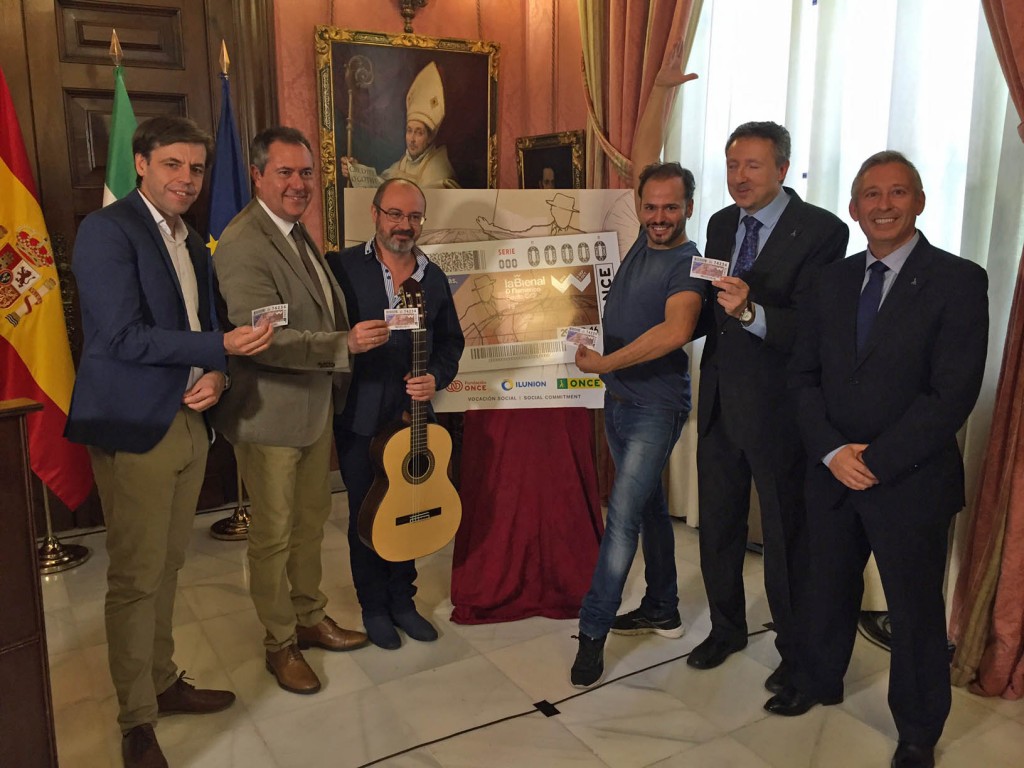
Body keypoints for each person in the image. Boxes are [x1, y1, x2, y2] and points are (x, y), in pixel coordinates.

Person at [65, 115, 274, 768]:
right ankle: (137, 721)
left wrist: (217, 371)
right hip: (135, 425)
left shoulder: (191, 238)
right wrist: (219, 346)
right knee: (136, 577)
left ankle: (160, 681)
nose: (187, 178)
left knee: (169, 566)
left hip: (189, 420)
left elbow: (199, 323)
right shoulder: (107, 230)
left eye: (197, 168)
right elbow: (120, 336)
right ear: (141, 164)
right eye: (173, 164)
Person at [768, 152, 988, 768]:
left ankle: (918, 729)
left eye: (897, 192)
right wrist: (833, 451)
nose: (883, 205)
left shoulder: (959, 280)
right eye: (871, 194)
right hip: (832, 471)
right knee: (825, 587)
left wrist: (878, 460)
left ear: (919, 202)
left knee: (914, 612)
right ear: (853, 207)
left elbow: (953, 394)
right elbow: (802, 376)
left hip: (910, 479)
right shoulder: (830, 281)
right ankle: (819, 679)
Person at [211, 127, 389, 696]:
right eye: (285, 172)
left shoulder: (294, 231)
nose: (298, 184)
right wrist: (343, 345)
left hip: (312, 410)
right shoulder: (244, 241)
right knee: (273, 536)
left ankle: (309, 616)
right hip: (268, 415)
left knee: (309, 523)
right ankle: (280, 642)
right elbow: (259, 339)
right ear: (257, 175)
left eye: (306, 173)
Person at [689, 120, 848, 693]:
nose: (740, 177)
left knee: (786, 537)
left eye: (753, 166)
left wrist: (752, 313)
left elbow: (817, 327)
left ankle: (795, 653)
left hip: (780, 410)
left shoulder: (823, 231)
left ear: (782, 168)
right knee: (718, 528)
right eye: (732, 165)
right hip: (718, 402)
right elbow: (707, 308)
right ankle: (726, 629)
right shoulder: (719, 223)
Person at [568, 47, 706, 688]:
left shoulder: (690, 263)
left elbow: (674, 333)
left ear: (688, 208)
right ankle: (664, 606)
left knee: (621, 515)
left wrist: (604, 363)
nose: (657, 216)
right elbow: (645, 151)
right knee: (647, 507)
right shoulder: (641, 233)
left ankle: (592, 630)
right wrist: (659, 88)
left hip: (654, 404)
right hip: (619, 400)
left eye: (670, 208)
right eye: (650, 206)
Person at [326, 178, 464, 649]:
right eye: (395, 214)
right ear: (375, 213)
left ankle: (403, 602)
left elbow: (452, 342)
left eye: (414, 216)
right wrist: (347, 342)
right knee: (368, 514)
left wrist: (436, 377)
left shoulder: (433, 277)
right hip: (359, 417)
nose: (404, 225)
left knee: (410, 508)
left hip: (413, 417)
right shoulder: (341, 268)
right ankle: (373, 607)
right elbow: (320, 333)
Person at [341, 62, 460, 189]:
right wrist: (356, 171)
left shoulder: (438, 170)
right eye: (409, 131)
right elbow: (383, 185)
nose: (412, 139)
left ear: (430, 138)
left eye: (419, 132)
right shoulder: (405, 162)